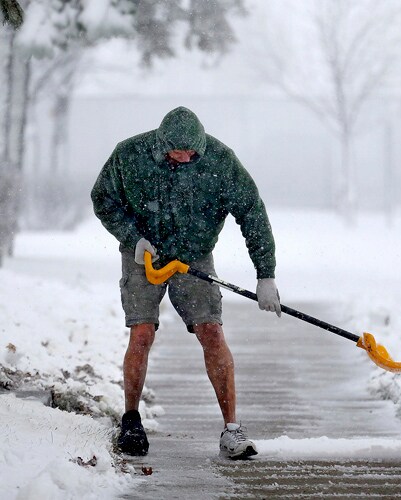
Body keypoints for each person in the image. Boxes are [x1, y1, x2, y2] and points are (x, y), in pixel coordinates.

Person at [91, 106, 281, 459]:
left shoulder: (220, 162)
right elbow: (102, 199)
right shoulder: (129, 154)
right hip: (143, 256)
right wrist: (133, 238)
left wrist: (265, 274)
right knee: (142, 332)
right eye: (178, 152)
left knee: (212, 333)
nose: (186, 157)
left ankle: (232, 431)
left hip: (194, 257)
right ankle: (131, 420)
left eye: (192, 152)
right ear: (162, 144)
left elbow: (252, 212)